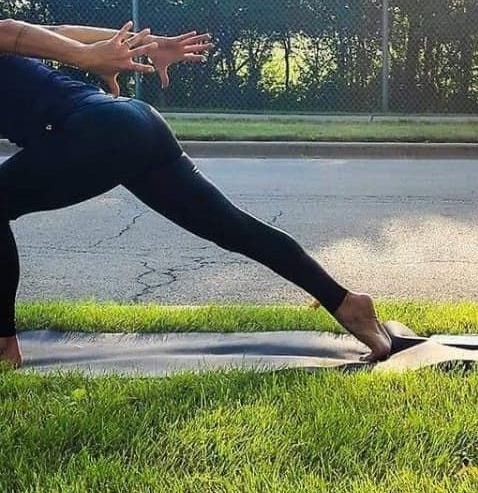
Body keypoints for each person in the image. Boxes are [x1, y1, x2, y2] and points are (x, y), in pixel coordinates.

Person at [0, 19, 391, 369]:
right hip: (134, 122)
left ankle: (3, 345)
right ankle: (347, 303)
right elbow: (59, 34)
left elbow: (11, 29)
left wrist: (87, 56)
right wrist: (151, 45)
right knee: (232, 228)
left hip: (99, 131)